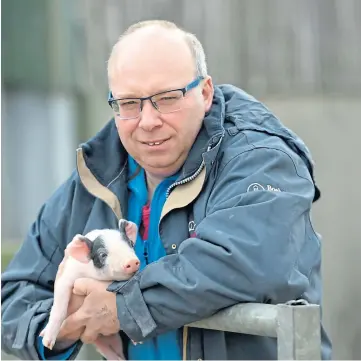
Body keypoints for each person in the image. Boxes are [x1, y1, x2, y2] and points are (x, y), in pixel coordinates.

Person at [1, 19, 332, 360]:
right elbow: (13, 296)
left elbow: (247, 260)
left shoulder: (261, 159)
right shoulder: (99, 175)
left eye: (167, 98)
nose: (147, 121)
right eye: (129, 103)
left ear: (205, 93)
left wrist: (119, 307)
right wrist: (66, 324)